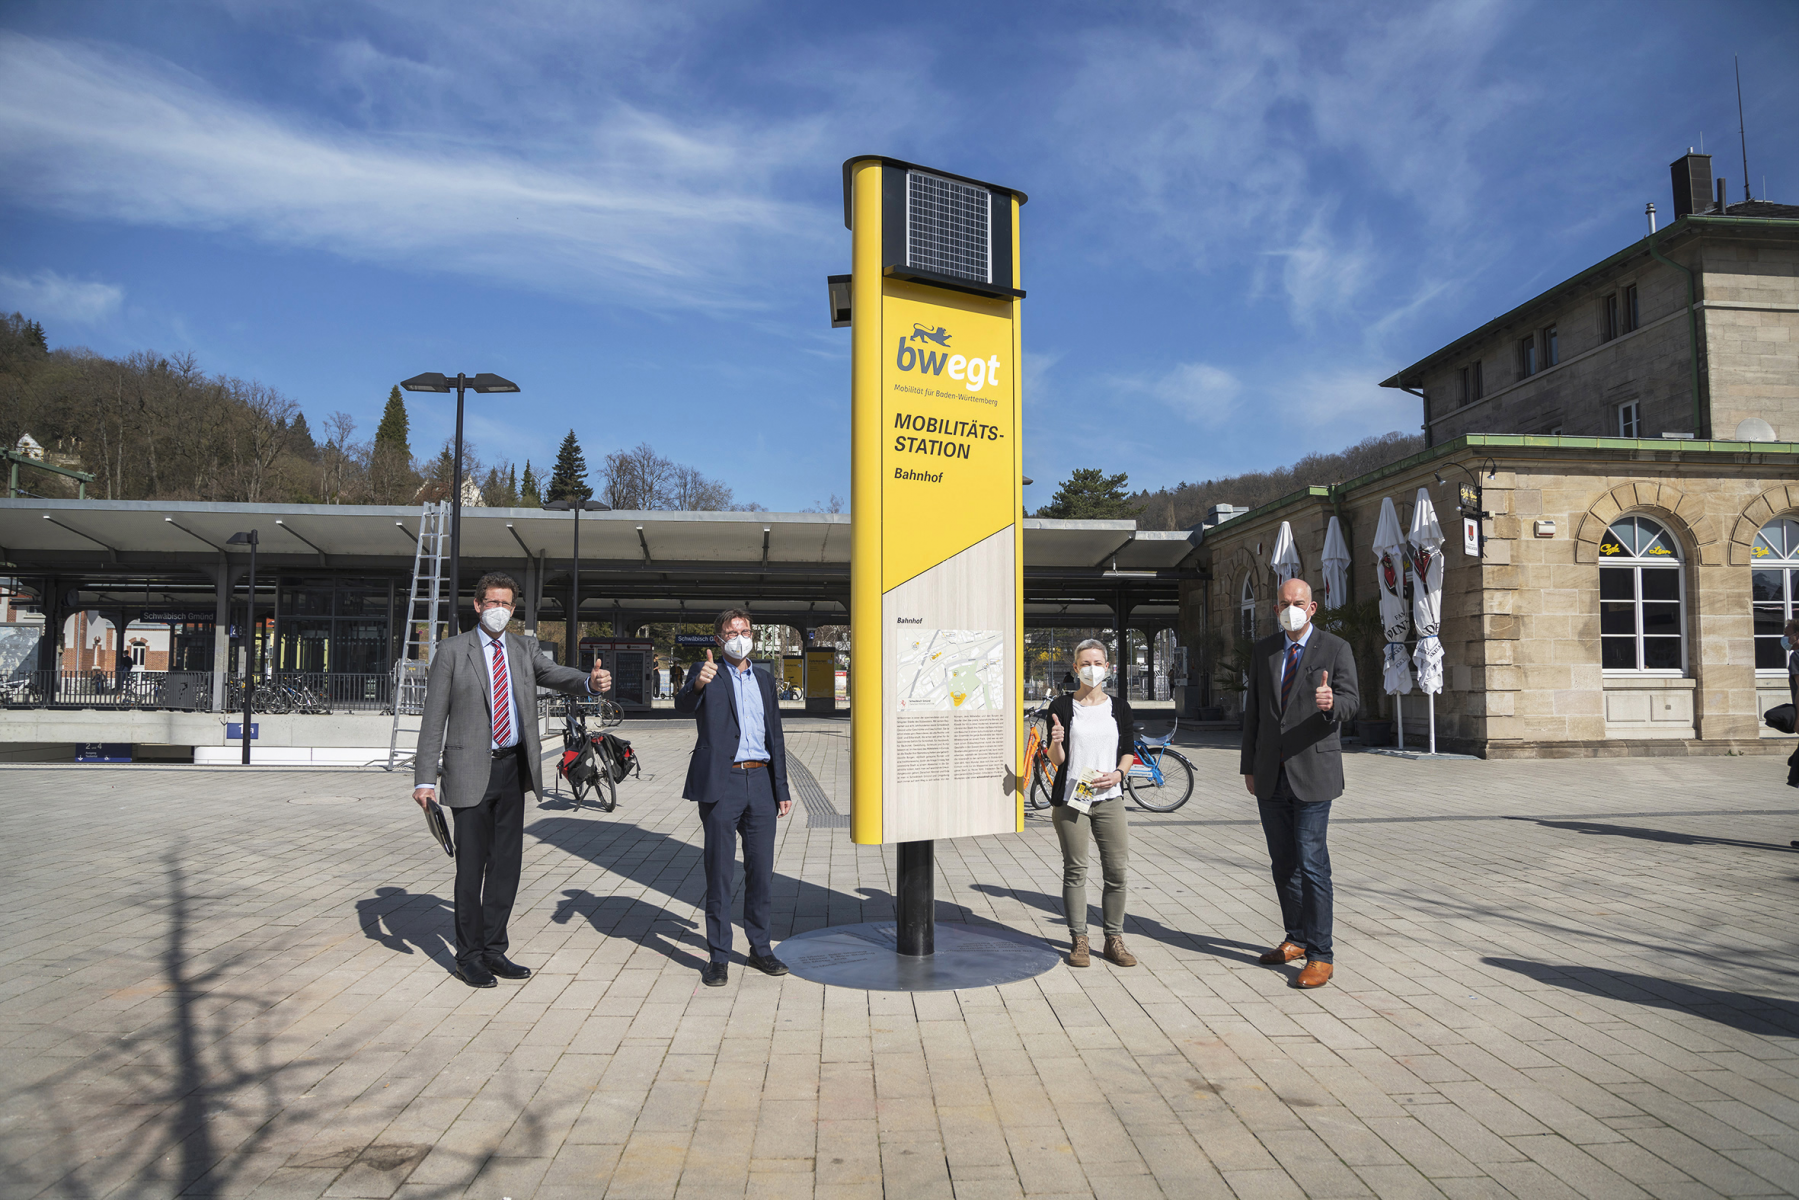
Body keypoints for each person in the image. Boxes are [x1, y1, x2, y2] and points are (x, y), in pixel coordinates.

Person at [413, 572, 611, 988]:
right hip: (469, 771)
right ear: (477, 605)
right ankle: (468, 957)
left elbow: (554, 674)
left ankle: (494, 949)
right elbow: (433, 720)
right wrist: (424, 779)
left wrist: (588, 683)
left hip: (512, 770)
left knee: (506, 868)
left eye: (507, 604)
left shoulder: (523, 648)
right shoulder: (451, 651)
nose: (500, 611)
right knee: (471, 870)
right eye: (493, 603)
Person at [1241, 577, 1360, 990]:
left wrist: (1331, 705)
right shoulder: (1265, 651)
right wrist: (1249, 766)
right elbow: (1253, 714)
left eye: (1298, 602)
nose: (1290, 608)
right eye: (1284, 602)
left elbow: (1351, 702)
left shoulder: (1335, 648)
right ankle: (1295, 937)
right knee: (1283, 864)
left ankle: (1320, 954)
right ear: (1277, 608)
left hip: (1313, 774)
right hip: (1270, 774)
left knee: (1312, 864)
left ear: (1312, 609)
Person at [675, 608, 794, 986]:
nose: (738, 636)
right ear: (718, 639)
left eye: (744, 630)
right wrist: (697, 684)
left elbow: (774, 733)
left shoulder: (763, 677)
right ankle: (719, 956)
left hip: (759, 782)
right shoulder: (705, 671)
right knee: (720, 872)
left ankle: (760, 948)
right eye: (731, 632)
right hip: (721, 784)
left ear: (753, 636)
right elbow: (682, 706)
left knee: (760, 873)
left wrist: (782, 788)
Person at [1044, 639, 1138, 968]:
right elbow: (1058, 760)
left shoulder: (1120, 707)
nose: (1092, 668)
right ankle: (1079, 939)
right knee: (1076, 871)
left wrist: (1118, 774)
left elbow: (1128, 748)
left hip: (1109, 796)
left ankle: (1114, 938)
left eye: (1098, 662)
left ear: (1108, 668)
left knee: (1116, 871)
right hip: (1075, 796)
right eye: (1085, 663)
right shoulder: (1062, 706)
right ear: (1075, 668)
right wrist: (1056, 743)